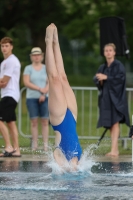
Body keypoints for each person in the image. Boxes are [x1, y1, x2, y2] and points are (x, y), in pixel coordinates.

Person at [45, 23, 82, 170]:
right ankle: (56, 42)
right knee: (63, 77)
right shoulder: (77, 163)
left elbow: (59, 168)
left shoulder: (60, 161)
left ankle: (48, 42)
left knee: (54, 78)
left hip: (60, 121)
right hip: (72, 118)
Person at [94, 43, 130, 157]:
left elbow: (121, 79)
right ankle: (113, 148)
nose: (108, 52)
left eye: (110, 50)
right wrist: (100, 80)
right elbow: (97, 80)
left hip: (117, 99)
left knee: (115, 122)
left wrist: (107, 78)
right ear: (104, 53)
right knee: (110, 124)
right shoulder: (102, 67)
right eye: (106, 50)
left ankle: (115, 150)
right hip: (106, 99)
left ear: (114, 52)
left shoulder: (119, 66)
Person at [23, 47, 49, 151]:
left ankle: (45, 144)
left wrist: (44, 92)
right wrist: (39, 89)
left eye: (38, 55)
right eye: (34, 55)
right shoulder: (28, 68)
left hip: (45, 97)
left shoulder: (46, 68)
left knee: (44, 121)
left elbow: (49, 82)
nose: (36, 57)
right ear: (31, 57)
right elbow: (27, 82)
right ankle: (35, 144)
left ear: (41, 56)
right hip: (32, 97)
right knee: (34, 121)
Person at [0, 37, 21, 157]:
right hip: (7, 94)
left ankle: (8, 146)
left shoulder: (12, 61)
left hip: (10, 94)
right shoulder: (3, 63)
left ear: (11, 47)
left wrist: (2, 82)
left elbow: (4, 81)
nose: (4, 48)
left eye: (6, 46)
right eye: (2, 46)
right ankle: (16, 150)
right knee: (11, 123)